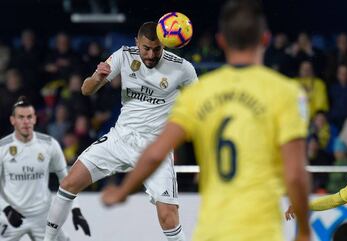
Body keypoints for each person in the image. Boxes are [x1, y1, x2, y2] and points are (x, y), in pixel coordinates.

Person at [101, 1, 311, 241]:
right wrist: (304, 230)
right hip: (261, 230)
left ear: (221, 41)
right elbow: (295, 173)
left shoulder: (201, 94)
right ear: (265, 39)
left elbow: (154, 153)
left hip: (212, 230)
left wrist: (122, 192)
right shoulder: (288, 93)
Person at [43, 22, 198, 241]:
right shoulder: (123, 56)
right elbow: (86, 90)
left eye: (156, 49)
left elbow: (201, 106)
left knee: (168, 216)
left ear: (164, 44)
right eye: (146, 48)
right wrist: (97, 77)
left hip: (155, 148)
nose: (151, 54)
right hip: (120, 139)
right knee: (68, 183)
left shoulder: (183, 69)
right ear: (137, 43)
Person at [0, 96, 90, 241]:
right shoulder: (2, 147)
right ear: (13, 120)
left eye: (29, 117)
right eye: (21, 117)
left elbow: (67, 180)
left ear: (35, 119)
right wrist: (6, 208)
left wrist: (76, 210)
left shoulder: (49, 144)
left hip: (42, 216)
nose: (25, 121)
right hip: (11, 215)